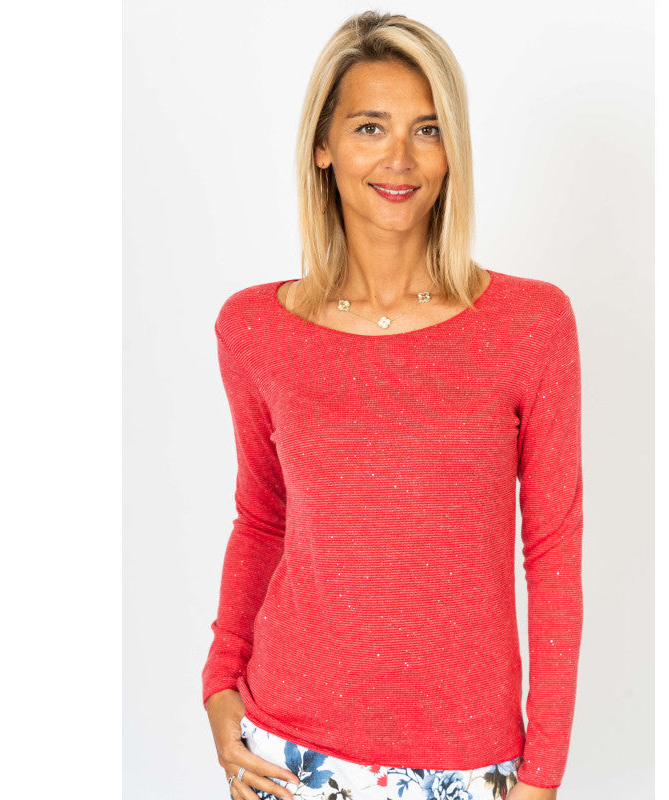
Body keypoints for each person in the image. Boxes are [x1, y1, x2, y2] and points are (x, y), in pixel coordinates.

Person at [202, 10, 583, 800]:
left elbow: (552, 552)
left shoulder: (531, 324)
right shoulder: (255, 330)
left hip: (471, 762)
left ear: (453, 150)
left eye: (428, 129)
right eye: (369, 127)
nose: (400, 157)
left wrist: (543, 774)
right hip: (286, 754)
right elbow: (263, 519)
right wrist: (219, 681)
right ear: (323, 145)